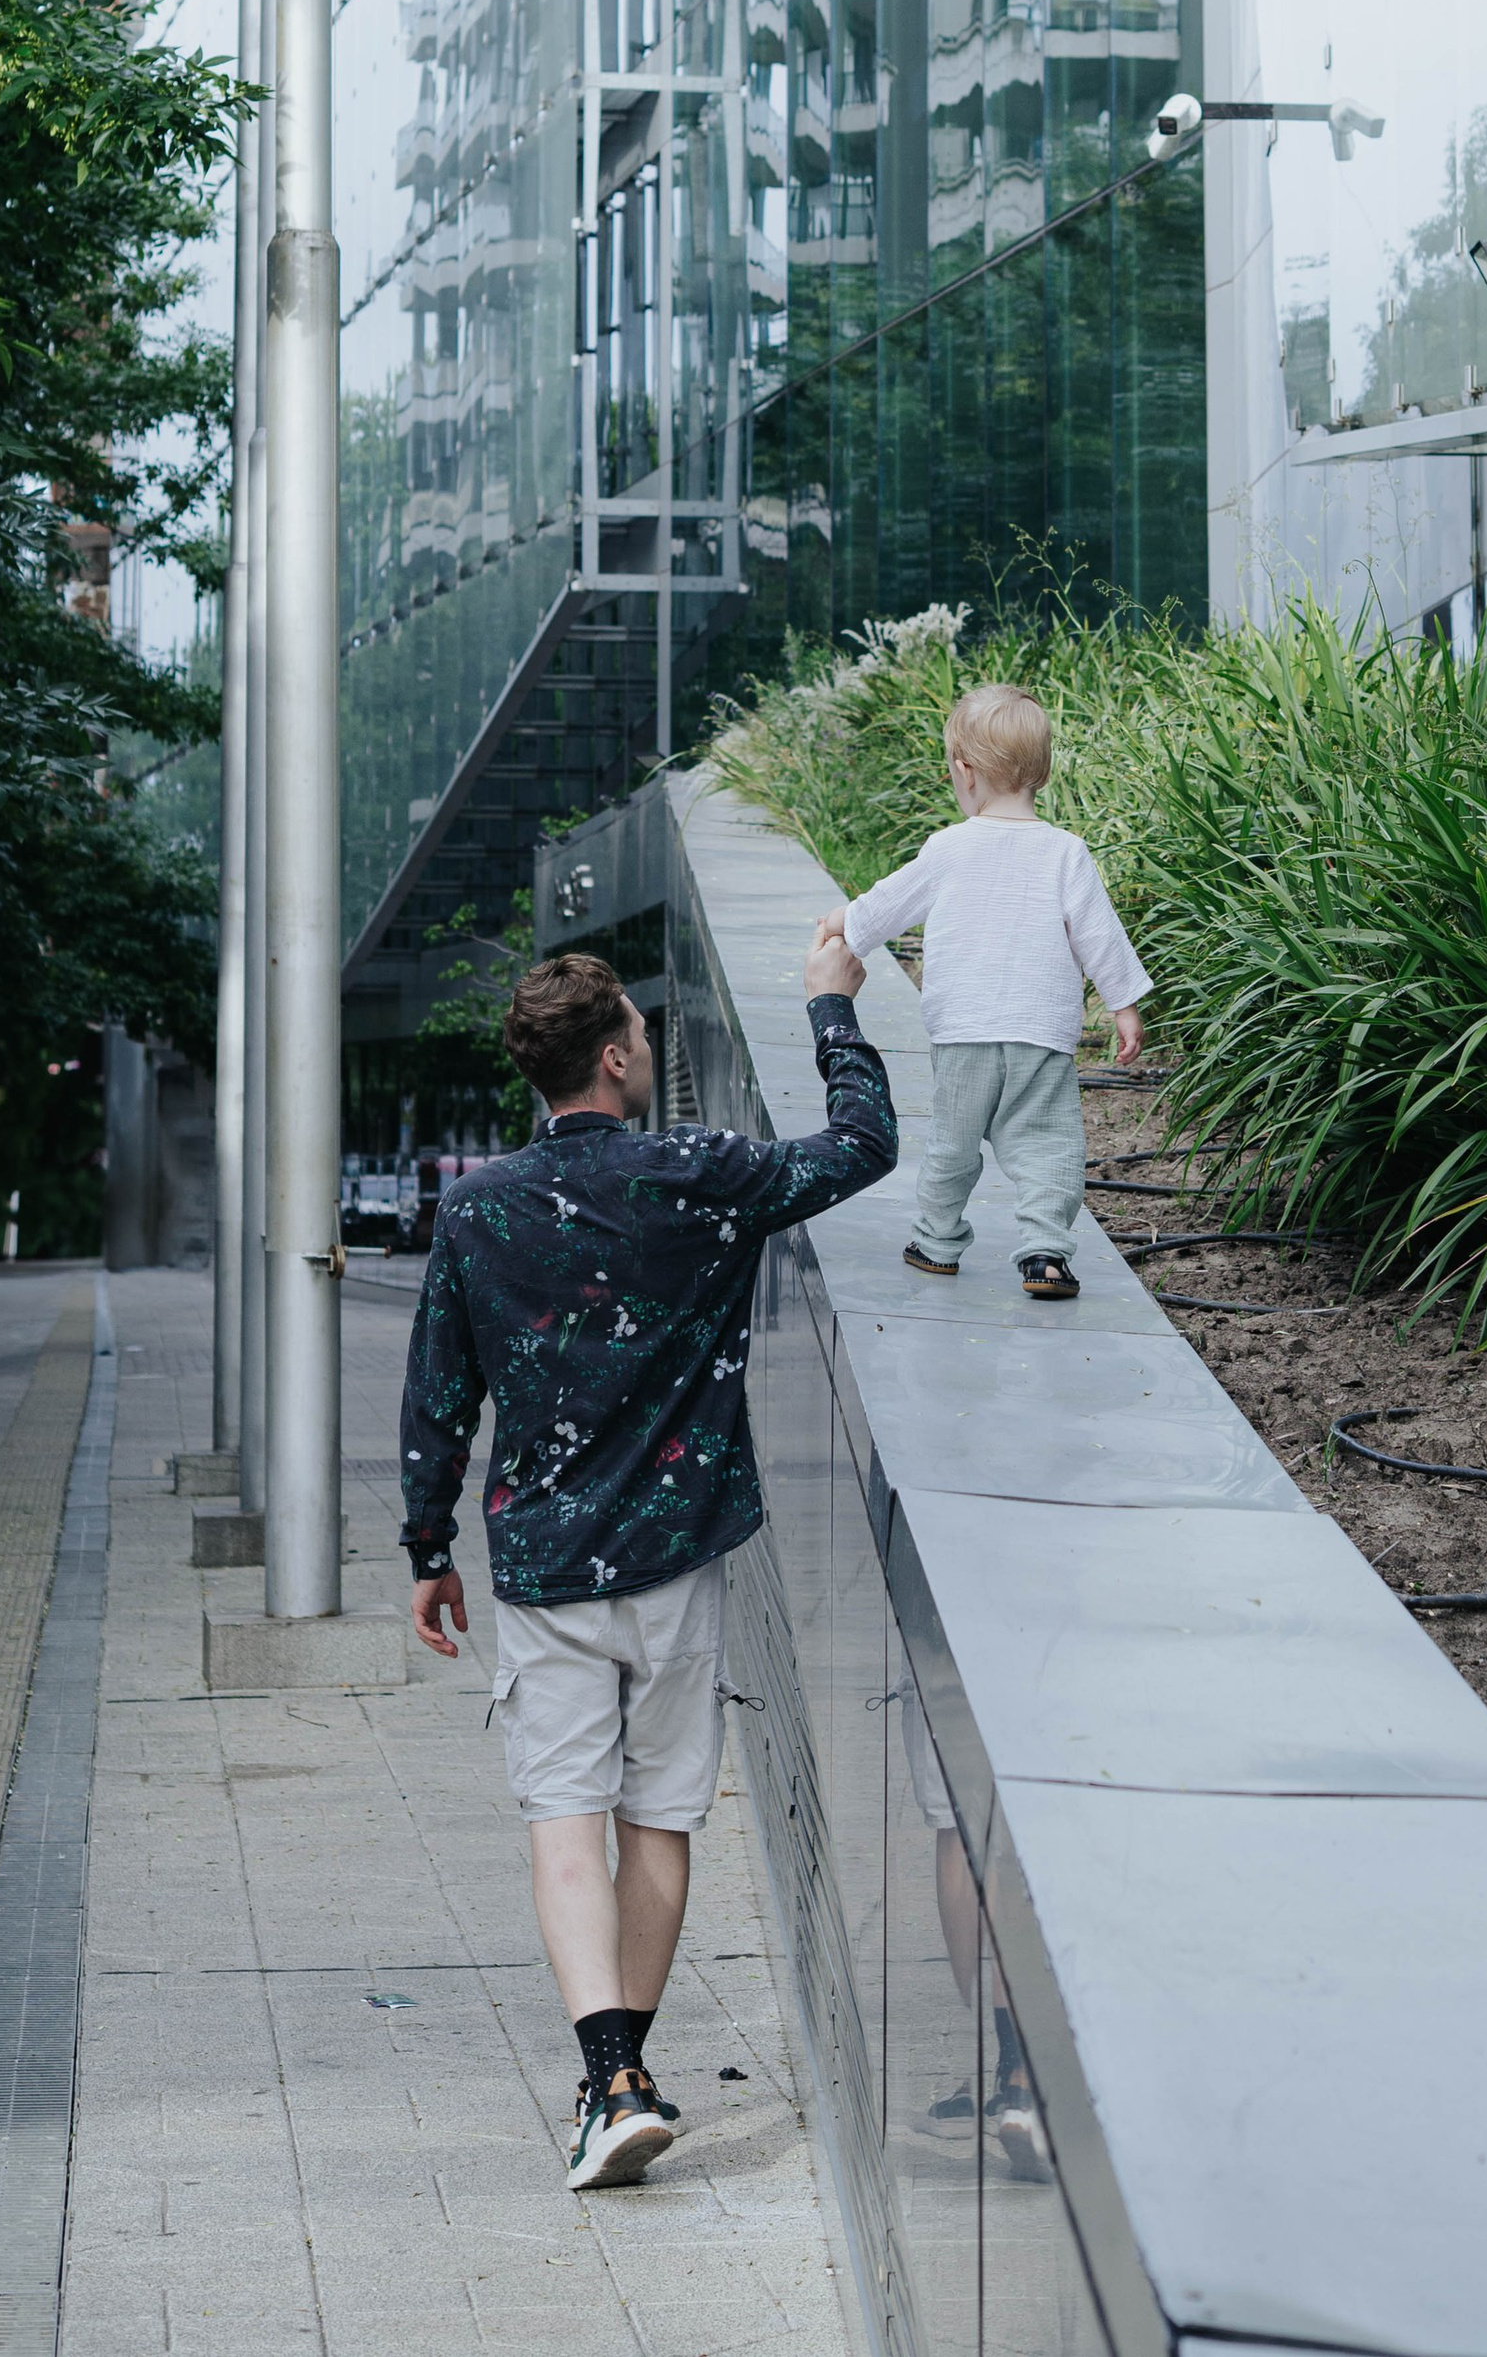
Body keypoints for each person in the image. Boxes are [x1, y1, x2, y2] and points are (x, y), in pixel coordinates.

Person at [400, 924, 894, 2190]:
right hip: (676, 1562)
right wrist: (832, 1007)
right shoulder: (703, 1172)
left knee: (562, 1819)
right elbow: (860, 1148)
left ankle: (608, 2079)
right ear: (619, 1054)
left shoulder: (475, 1207)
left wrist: (424, 1545)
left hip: (545, 1571)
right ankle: (621, 2081)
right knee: (659, 1822)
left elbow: (438, 1396)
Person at [837, 680, 1149, 1301]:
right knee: (1048, 1147)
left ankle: (936, 1242)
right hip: (1040, 1035)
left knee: (953, 1146)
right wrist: (1124, 1005)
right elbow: (1100, 935)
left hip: (964, 1035)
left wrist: (841, 928)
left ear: (965, 770)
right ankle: (1046, 1254)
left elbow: (887, 905)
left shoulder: (949, 847)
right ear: (1042, 771)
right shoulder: (1067, 852)